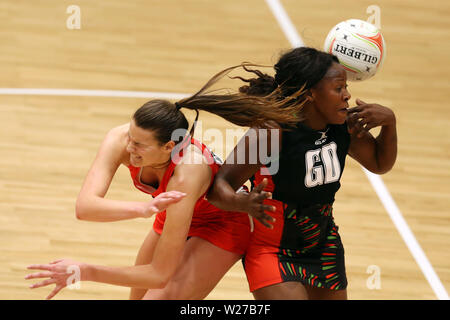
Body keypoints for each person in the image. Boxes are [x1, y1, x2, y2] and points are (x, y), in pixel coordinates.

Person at [24, 64, 303, 300]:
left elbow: (159, 275)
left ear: (169, 146)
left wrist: (85, 270)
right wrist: (143, 209)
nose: (129, 147)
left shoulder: (188, 171)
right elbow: (84, 208)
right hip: (172, 213)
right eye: (130, 138)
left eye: (139, 145)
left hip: (224, 223)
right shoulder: (122, 139)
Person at [207, 47, 398, 300]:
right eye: (338, 88)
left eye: (345, 88)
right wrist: (240, 203)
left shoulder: (343, 126)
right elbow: (219, 186)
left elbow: (379, 163)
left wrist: (389, 124)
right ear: (310, 94)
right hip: (273, 249)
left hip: (324, 244)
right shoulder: (272, 132)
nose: (347, 95)